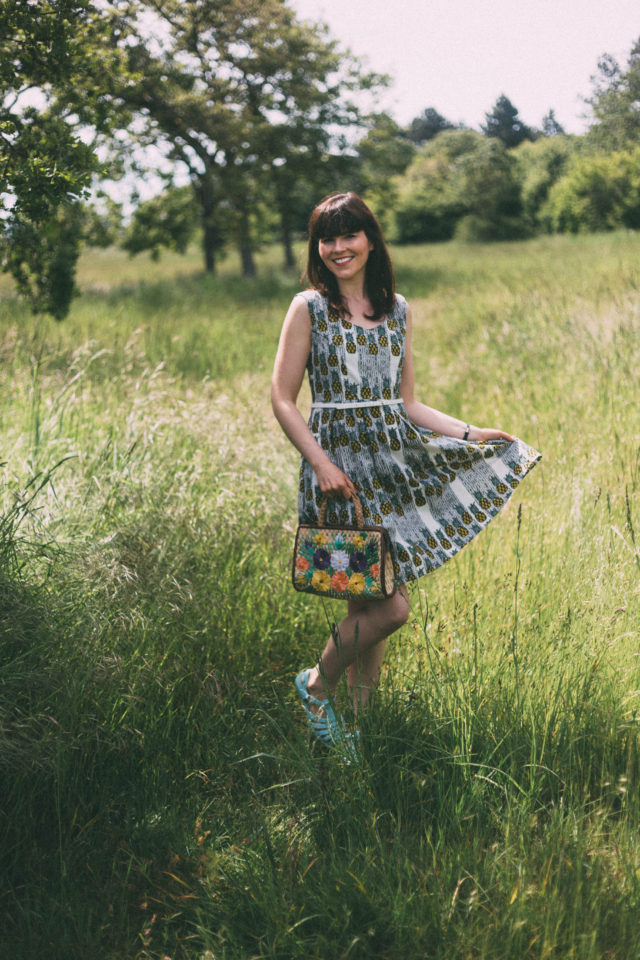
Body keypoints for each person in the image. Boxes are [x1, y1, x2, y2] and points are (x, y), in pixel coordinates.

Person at [271, 192, 540, 753]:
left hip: (390, 471)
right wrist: (321, 464)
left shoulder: (398, 310)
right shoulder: (309, 308)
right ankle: (317, 687)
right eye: (327, 237)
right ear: (318, 248)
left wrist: (471, 432)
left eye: (349, 235)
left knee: (367, 597)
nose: (338, 247)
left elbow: (409, 404)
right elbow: (282, 399)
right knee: (390, 606)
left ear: (370, 239)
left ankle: (361, 728)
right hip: (338, 478)